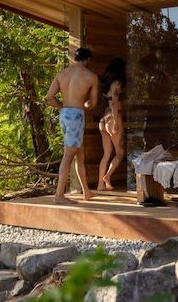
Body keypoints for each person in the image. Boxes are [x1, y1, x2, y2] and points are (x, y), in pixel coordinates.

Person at [45, 47, 99, 204]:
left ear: (75, 58)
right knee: (69, 155)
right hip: (76, 116)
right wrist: (84, 104)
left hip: (64, 114)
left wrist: (62, 106)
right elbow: (93, 103)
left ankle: (86, 192)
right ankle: (59, 195)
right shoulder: (91, 76)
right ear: (87, 60)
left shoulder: (62, 74)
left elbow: (49, 97)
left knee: (79, 153)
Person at [97, 57, 126, 191]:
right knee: (120, 153)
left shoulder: (105, 83)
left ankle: (100, 186)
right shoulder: (117, 83)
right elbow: (114, 103)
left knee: (106, 154)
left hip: (103, 120)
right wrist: (115, 123)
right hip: (113, 118)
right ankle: (107, 176)